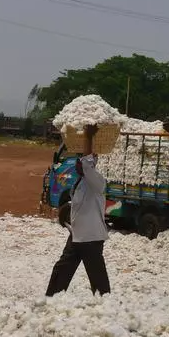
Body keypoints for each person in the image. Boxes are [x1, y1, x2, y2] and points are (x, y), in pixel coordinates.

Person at [46, 125, 111, 297]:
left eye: (83, 161)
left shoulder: (97, 180)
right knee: (62, 268)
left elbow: (87, 164)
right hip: (77, 235)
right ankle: (51, 299)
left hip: (90, 237)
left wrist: (88, 136)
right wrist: (66, 211)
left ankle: (105, 303)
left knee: (97, 276)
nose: (79, 165)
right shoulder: (80, 183)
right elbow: (80, 204)